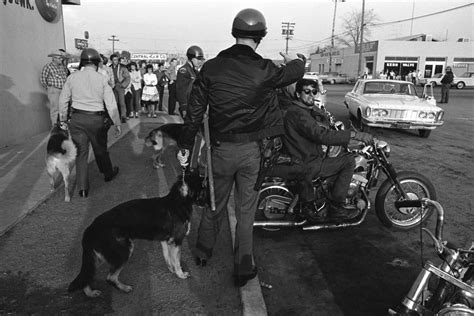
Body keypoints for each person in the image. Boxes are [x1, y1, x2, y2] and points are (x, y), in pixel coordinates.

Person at [176, 8, 305, 287]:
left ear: (234, 34)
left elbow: (194, 114)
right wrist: (294, 59)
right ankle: (243, 267)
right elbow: (296, 71)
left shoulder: (210, 67)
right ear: (260, 36)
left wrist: (185, 146)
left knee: (214, 204)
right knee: (246, 212)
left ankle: (202, 252)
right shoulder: (266, 69)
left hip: (220, 150)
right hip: (253, 153)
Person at [280, 78, 373, 221]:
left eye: (314, 92)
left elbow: (317, 123)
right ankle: (337, 208)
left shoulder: (301, 109)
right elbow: (320, 135)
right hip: (306, 161)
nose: (311, 95)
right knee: (348, 161)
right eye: (307, 92)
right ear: (298, 94)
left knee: (338, 156)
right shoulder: (297, 113)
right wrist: (355, 135)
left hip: (304, 156)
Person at [58, 48, 121, 198]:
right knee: (100, 149)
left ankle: (83, 188)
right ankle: (108, 173)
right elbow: (111, 103)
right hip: (96, 120)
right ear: (97, 63)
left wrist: (62, 120)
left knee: (81, 154)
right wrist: (117, 122)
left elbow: (63, 100)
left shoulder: (72, 78)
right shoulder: (101, 78)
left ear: (82, 62)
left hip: (77, 119)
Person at [40, 49, 69, 125]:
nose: (61, 59)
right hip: (54, 91)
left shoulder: (63, 67)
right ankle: (55, 128)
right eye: (59, 58)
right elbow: (43, 80)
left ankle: (63, 127)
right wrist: (50, 89)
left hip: (63, 91)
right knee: (55, 110)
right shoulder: (48, 67)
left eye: (61, 58)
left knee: (63, 109)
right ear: (54, 58)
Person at [176, 45, 205, 118]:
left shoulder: (194, 71)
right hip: (188, 106)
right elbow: (181, 90)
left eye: (201, 59)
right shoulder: (184, 70)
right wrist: (184, 107)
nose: (200, 61)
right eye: (198, 59)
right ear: (191, 59)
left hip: (195, 105)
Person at [109, 54, 131, 122]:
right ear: (111, 60)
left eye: (117, 60)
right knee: (114, 103)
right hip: (112, 86)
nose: (116, 61)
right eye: (114, 60)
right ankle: (115, 117)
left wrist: (123, 85)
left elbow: (128, 77)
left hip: (120, 86)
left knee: (122, 102)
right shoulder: (109, 68)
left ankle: (123, 116)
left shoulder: (122, 67)